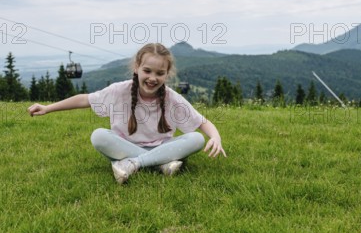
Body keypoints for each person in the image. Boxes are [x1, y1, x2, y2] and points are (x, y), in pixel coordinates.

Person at [27, 43, 226, 184]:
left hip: (162, 146)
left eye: (159, 73)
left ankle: (132, 164)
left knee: (196, 139)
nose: (152, 78)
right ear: (137, 68)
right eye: (147, 71)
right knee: (99, 135)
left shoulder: (172, 97)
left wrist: (215, 137)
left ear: (167, 74)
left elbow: (202, 122)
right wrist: (47, 108)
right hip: (127, 146)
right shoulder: (119, 90)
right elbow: (83, 99)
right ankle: (161, 164)